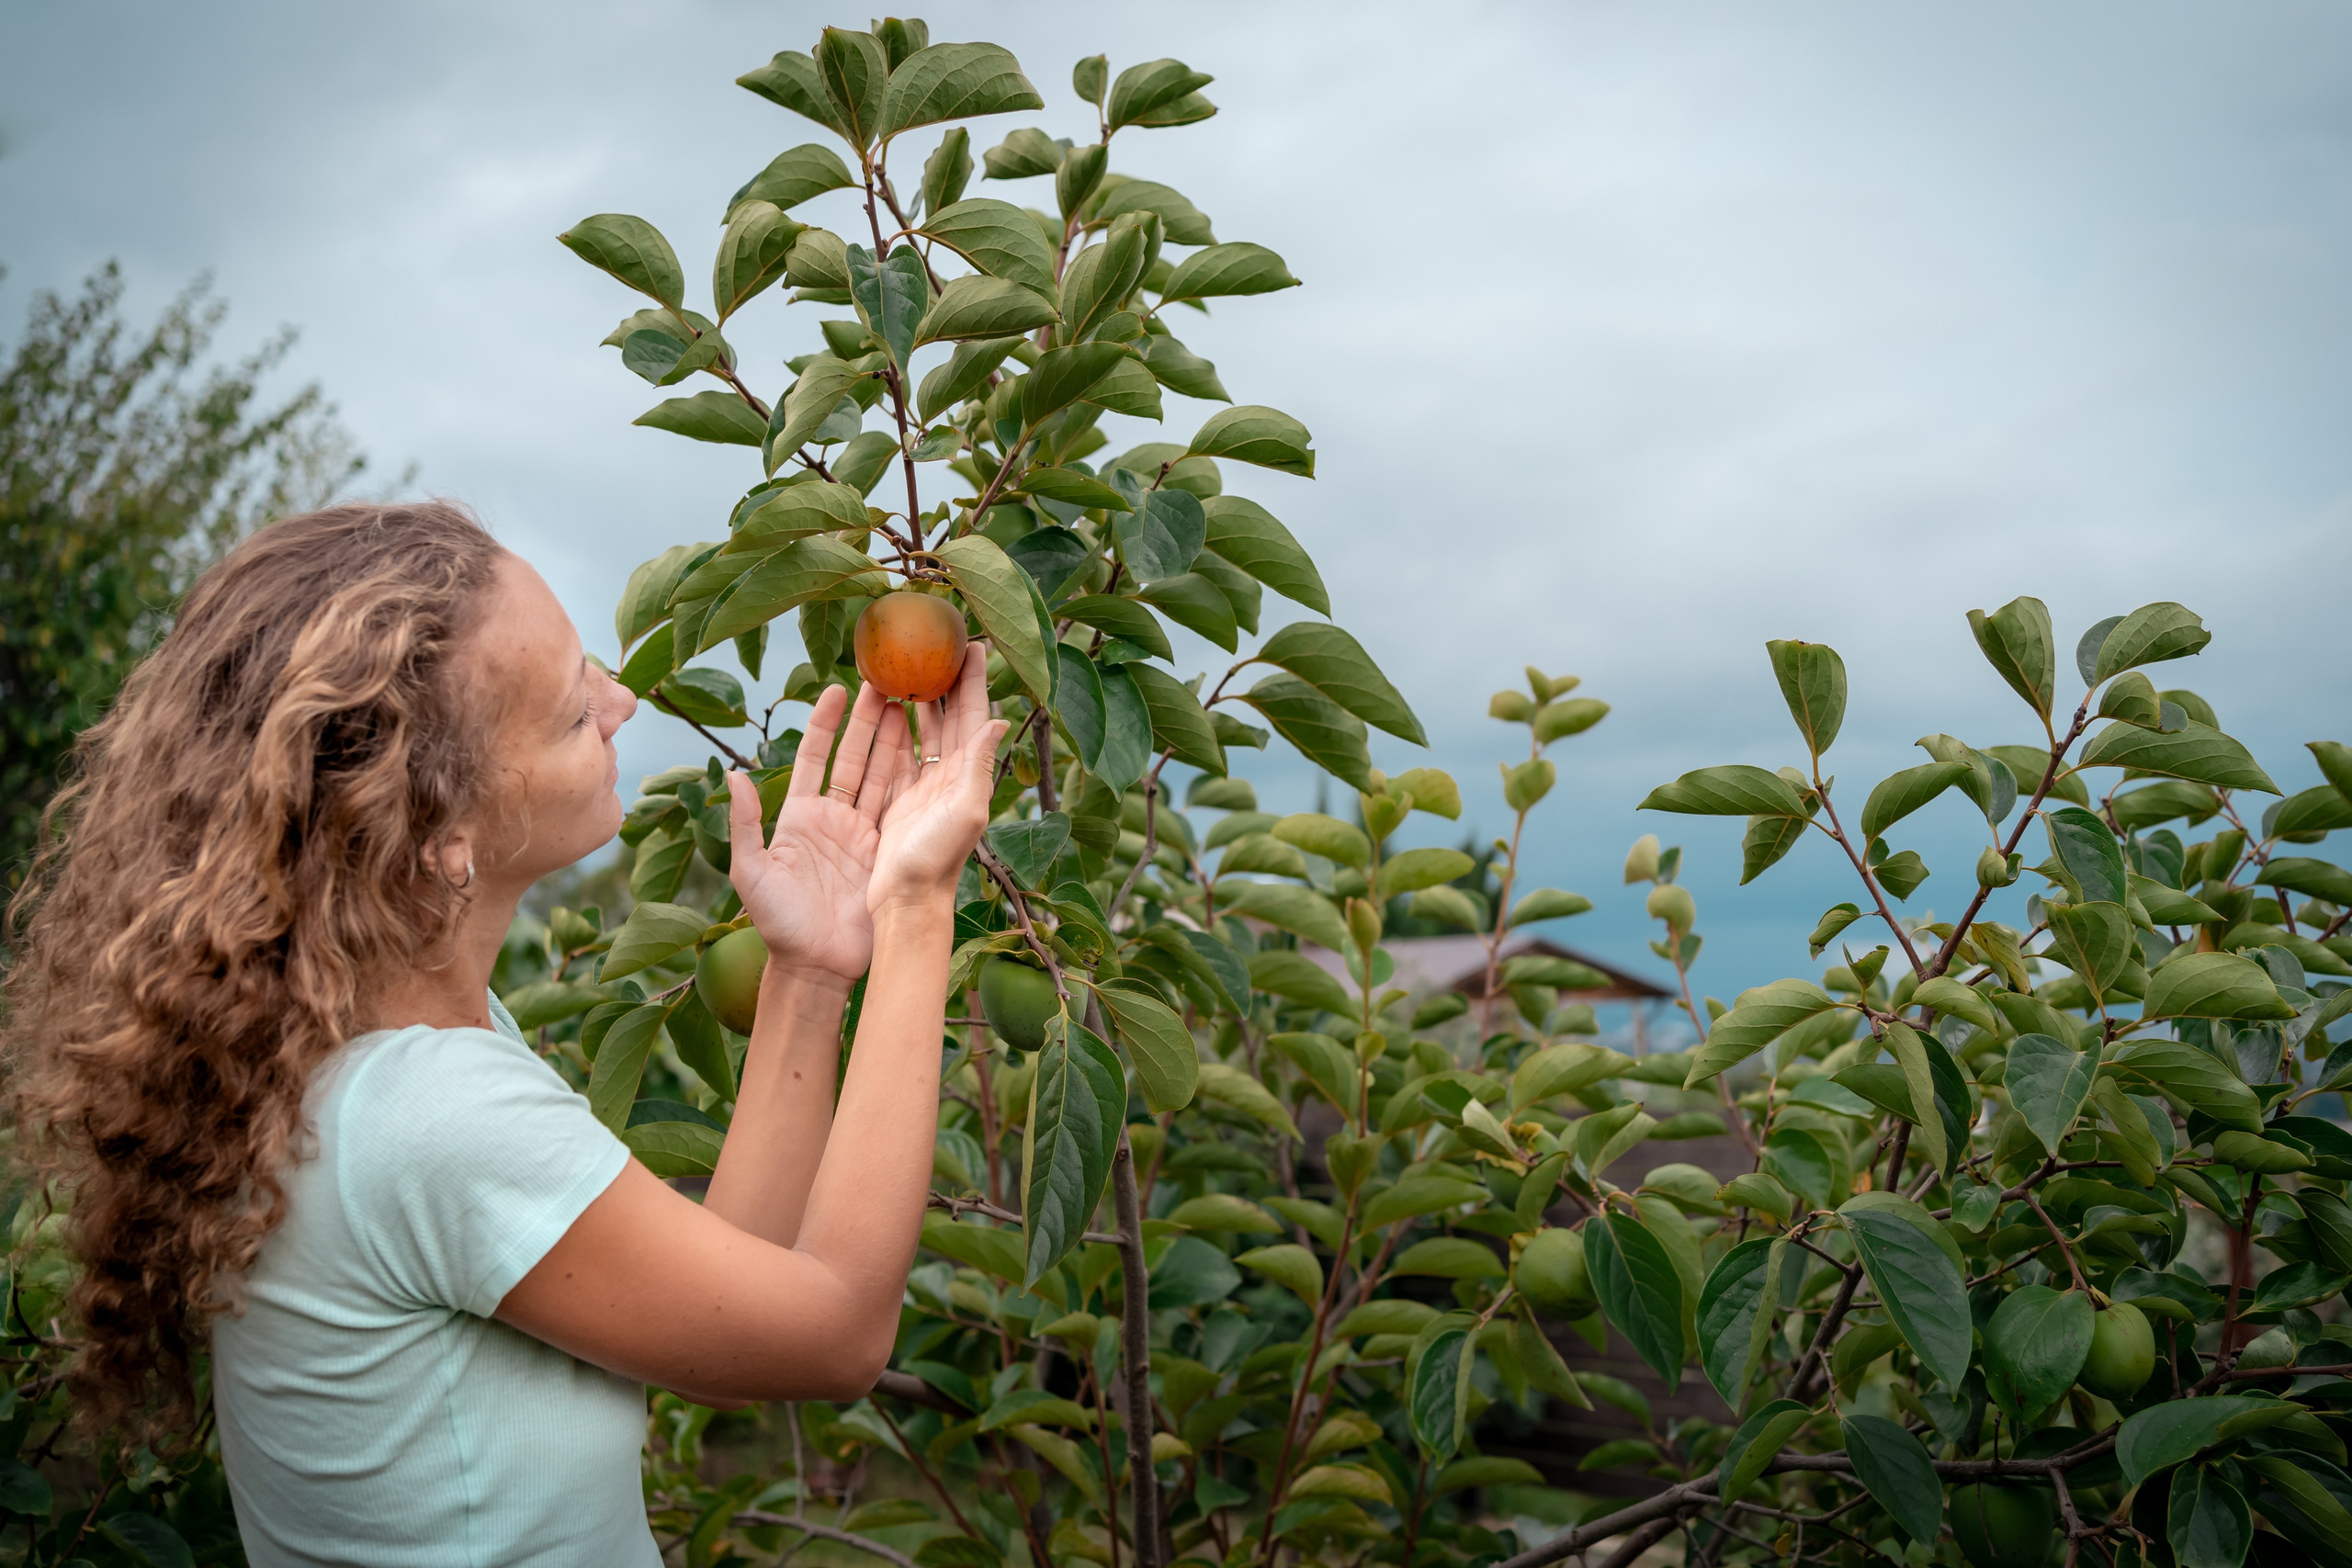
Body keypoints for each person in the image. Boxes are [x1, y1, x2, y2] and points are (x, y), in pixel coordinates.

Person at [3, 501, 1006, 1565]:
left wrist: (808, 971)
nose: (621, 703)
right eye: (574, 714)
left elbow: (724, 1305)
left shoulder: (368, 1052)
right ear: (442, 833)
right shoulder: (433, 1115)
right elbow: (838, 1333)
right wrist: (916, 906)